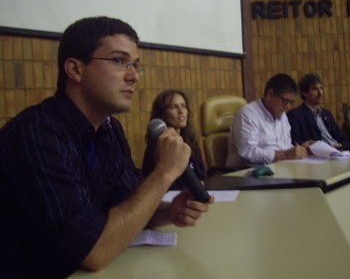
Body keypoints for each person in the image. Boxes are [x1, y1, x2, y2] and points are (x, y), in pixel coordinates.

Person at [0, 16, 213, 278]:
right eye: (119, 61)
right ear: (75, 70)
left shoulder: (110, 130)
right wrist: (164, 173)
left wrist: (167, 212)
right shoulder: (35, 134)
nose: (134, 76)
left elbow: (126, 205)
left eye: (136, 65)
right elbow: (92, 250)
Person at [225, 73, 311, 168]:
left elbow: (284, 147)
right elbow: (247, 152)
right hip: (248, 174)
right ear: (270, 95)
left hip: (278, 169)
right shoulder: (248, 114)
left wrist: (302, 150)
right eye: (285, 101)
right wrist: (283, 155)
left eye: (291, 102)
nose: (287, 107)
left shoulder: (282, 116)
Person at [142, 89, 208, 186]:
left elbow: (203, 175)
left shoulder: (190, 141)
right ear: (163, 113)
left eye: (183, 106)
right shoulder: (156, 147)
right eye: (173, 107)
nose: (181, 111)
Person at [287, 73, 348, 148]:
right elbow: (296, 142)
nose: (320, 93)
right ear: (304, 92)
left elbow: (342, 138)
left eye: (321, 88)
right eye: (315, 89)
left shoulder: (326, 114)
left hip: (338, 151)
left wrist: (341, 145)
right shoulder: (295, 115)